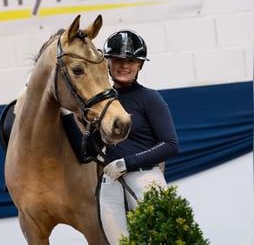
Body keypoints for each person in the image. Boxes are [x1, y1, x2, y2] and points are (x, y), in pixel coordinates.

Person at [61, 30, 179, 245]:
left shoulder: (149, 98)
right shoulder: (98, 103)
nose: (124, 66)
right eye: (118, 60)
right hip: (109, 184)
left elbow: (170, 145)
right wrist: (68, 116)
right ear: (107, 62)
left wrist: (128, 162)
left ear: (139, 65)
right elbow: (86, 153)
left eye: (131, 61)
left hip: (145, 179)